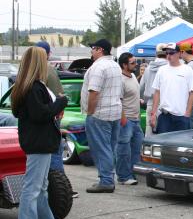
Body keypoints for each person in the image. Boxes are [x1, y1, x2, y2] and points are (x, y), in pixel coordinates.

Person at [11, 46, 68, 219]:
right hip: (39, 142)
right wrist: (61, 102)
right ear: (38, 62)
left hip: (39, 141)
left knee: (41, 187)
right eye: (45, 59)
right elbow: (41, 114)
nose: (48, 63)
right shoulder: (33, 88)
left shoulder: (29, 86)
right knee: (33, 188)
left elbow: (37, 113)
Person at [34, 41, 77, 197]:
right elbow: (60, 95)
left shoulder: (39, 71)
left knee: (52, 153)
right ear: (49, 54)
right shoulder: (50, 70)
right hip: (52, 116)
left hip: (47, 118)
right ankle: (62, 188)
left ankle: (59, 190)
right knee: (55, 152)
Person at [81, 39, 123, 194]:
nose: (91, 51)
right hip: (114, 111)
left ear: (100, 50)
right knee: (110, 148)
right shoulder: (115, 65)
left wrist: (90, 112)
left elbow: (94, 92)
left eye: (93, 48)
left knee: (101, 148)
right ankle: (109, 178)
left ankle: (106, 181)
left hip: (99, 113)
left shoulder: (98, 67)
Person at [150, 43, 193, 134]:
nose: (168, 55)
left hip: (182, 116)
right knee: (162, 142)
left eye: (171, 53)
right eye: (167, 53)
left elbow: (192, 92)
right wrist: (153, 114)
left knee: (181, 143)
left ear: (179, 53)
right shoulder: (161, 70)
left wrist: (187, 113)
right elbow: (157, 92)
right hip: (165, 115)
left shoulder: (187, 70)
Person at [116, 52, 143, 185]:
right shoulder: (120, 80)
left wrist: (139, 100)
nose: (135, 65)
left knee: (137, 148)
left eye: (135, 62)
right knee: (124, 150)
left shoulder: (132, 76)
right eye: (132, 63)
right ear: (124, 65)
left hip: (135, 119)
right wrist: (123, 119)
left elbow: (131, 95)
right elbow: (118, 101)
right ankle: (123, 177)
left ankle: (133, 173)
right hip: (126, 119)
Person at [139, 43, 168, 136]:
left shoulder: (148, 68)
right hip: (166, 104)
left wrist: (144, 100)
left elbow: (141, 86)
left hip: (151, 103)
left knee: (149, 131)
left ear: (156, 53)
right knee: (164, 133)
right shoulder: (169, 68)